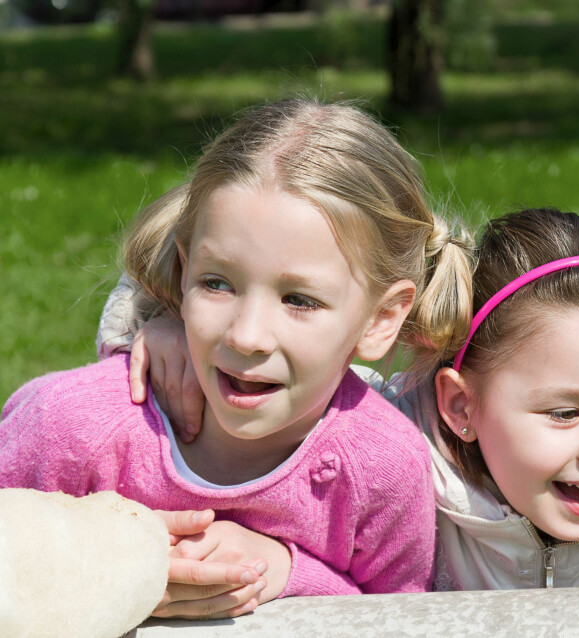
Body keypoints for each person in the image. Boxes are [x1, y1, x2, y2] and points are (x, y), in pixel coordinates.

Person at [1, 98, 474, 617]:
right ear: (184, 273)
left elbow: (402, 620)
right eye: (217, 283)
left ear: (381, 319)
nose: (247, 337)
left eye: (299, 300)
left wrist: (287, 572)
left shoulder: (385, 467)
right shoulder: (65, 426)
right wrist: (111, 564)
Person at [103, 207, 579, 593]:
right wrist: (163, 318)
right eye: (565, 412)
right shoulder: (384, 446)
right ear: (459, 408)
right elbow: (235, 225)